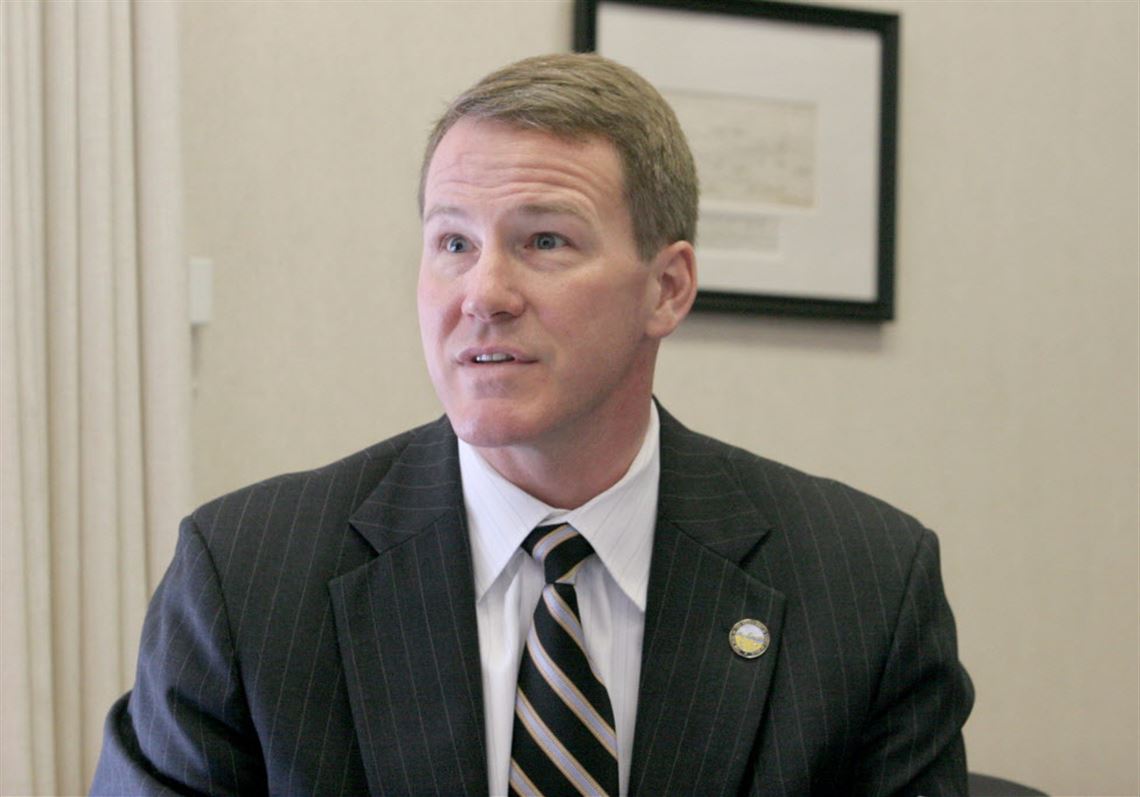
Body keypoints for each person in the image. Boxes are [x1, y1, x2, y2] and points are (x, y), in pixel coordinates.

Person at [92, 53, 973, 796]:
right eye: (453, 243)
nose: (484, 294)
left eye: (545, 241)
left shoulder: (865, 586)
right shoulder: (246, 576)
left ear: (667, 288)